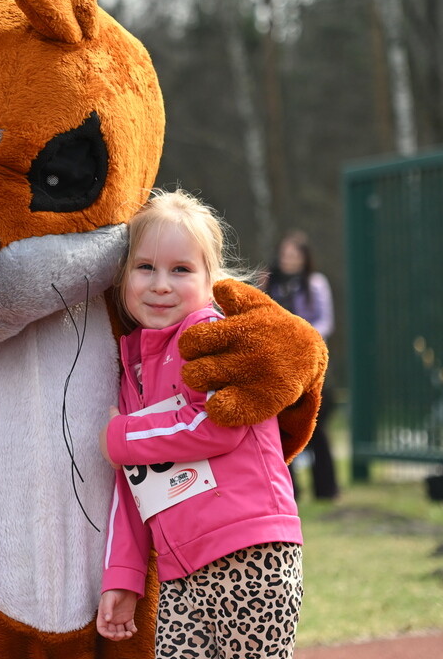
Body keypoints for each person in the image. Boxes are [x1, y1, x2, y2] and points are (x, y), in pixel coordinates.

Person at [96, 190, 304, 657]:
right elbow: (135, 482)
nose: (160, 285)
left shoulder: (211, 335)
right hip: (180, 572)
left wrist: (122, 436)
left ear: (211, 280)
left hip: (251, 555)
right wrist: (123, 576)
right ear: (123, 276)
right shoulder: (131, 364)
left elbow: (219, 424)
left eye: (181, 270)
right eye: (145, 267)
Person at [265, 230, 339, 502]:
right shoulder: (272, 284)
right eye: (285, 254)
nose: (288, 260)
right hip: (281, 365)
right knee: (283, 428)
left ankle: (326, 488)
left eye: (294, 255)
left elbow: (325, 322)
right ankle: (290, 489)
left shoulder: (315, 284)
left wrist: (301, 337)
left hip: (309, 362)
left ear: (305, 258)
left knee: (315, 426)